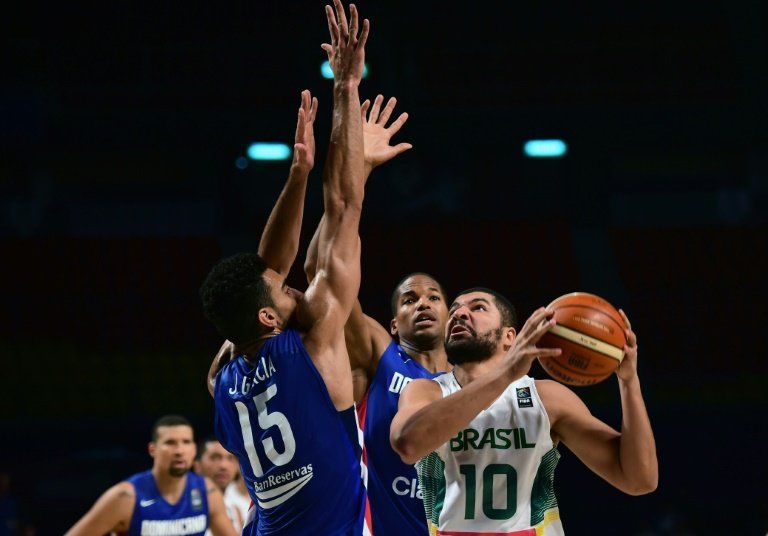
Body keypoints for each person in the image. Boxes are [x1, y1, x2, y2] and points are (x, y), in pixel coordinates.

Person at [199, 2, 370, 534]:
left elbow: (265, 270)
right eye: (283, 288)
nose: (291, 280)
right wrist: (345, 87)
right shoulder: (316, 338)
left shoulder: (221, 379)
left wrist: (299, 174)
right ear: (270, 319)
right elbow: (342, 206)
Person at [391, 288, 658, 535]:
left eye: (479, 308)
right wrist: (506, 373)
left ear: (510, 337)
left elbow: (638, 480)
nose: (459, 314)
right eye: (455, 311)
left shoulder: (547, 398)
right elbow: (409, 444)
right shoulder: (427, 392)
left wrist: (628, 382)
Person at [65, 415, 237, 536]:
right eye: (170, 443)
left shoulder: (207, 491)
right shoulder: (125, 497)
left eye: (186, 442)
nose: (179, 450)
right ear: (152, 449)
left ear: (193, 449)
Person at [195, 437, 243, 533]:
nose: (223, 466)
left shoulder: (235, 509)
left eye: (230, 458)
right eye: (215, 457)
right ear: (197, 465)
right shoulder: (184, 505)